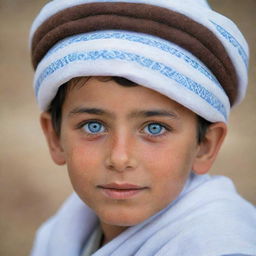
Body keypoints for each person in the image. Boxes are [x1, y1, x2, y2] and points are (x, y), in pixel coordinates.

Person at [29, 0, 256, 255]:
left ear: (205, 145)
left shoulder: (218, 245)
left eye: (155, 128)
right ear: (55, 137)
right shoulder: (61, 234)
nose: (120, 158)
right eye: (93, 126)